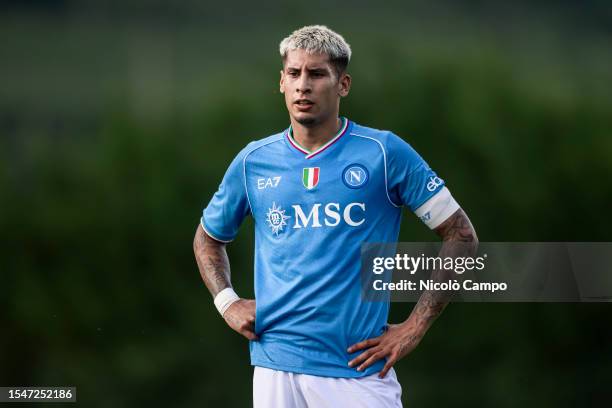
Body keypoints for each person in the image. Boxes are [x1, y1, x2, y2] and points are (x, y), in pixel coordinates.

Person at [193, 25, 478, 408]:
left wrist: (414, 327)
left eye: (317, 74)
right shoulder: (253, 161)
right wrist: (227, 302)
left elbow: (462, 237)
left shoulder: (383, 152)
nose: (303, 86)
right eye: (294, 74)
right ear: (281, 82)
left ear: (343, 84)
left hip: (357, 371)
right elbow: (208, 238)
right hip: (274, 367)